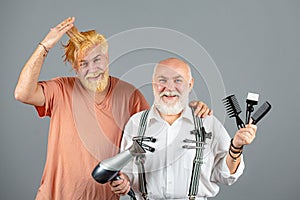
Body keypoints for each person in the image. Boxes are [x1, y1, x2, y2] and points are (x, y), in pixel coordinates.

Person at [14, 18, 212, 200]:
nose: (92, 69)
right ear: (75, 68)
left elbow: (155, 136)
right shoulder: (61, 89)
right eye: (84, 63)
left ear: (107, 58)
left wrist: (188, 108)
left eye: (97, 60)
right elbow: (22, 93)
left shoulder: (128, 95)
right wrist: (45, 46)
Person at [110, 58, 257, 200]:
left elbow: (227, 176)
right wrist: (122, 182)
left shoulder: (208, 123)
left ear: (190, 84)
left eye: (178, 80)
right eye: (162, 80)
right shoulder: (136, 123)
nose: (169, 88)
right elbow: (126, 172)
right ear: (154, 84)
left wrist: (236, 146)